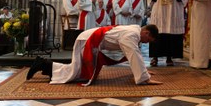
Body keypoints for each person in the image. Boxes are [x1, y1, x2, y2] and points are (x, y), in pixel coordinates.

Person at [26, 24, 162, 86]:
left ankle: (44, 66)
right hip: (88, 40)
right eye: (148, 40)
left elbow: (133, 54)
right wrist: (145, 77)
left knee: (78, 73)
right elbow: (134, 54)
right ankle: (42, 64)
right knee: (77, 73)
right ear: (147, 33)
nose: (146, 43)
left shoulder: (135, 30)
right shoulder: (132, 34)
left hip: (91, 40)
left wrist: (143, 70)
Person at [145, 0, 188, 66]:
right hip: (160, 11)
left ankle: (170, 58)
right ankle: (155, 58)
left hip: (173, 11)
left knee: (171, 34)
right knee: (157, 33)